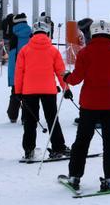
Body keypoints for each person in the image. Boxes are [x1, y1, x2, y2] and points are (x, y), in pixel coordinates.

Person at [63, 20, 110, 191]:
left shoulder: (85, 53)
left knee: (82, 141)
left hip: (89, 103)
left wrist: (66, 77)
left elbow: (76, 79)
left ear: (92, 33)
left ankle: (74, 175)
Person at [14, 20, 70, 161]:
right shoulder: (53, 50)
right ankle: (58, 147)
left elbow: (19, 72)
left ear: (32, 33)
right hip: (49, 90)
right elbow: (61, 72)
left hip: (28, 91)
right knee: (52, 119)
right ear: (47, 33)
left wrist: (17, 91)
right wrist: (66, 88)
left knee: (30, 122)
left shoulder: (24, 50)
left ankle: (29, 150)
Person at [6, 13, 31, 123]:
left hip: (16, 70)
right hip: (30, 69)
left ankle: (12, 115)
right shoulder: (32, 35)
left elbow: (12, 57)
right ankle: (26, 117)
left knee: (15, 92)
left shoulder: (14, 36)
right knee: (28, 94)